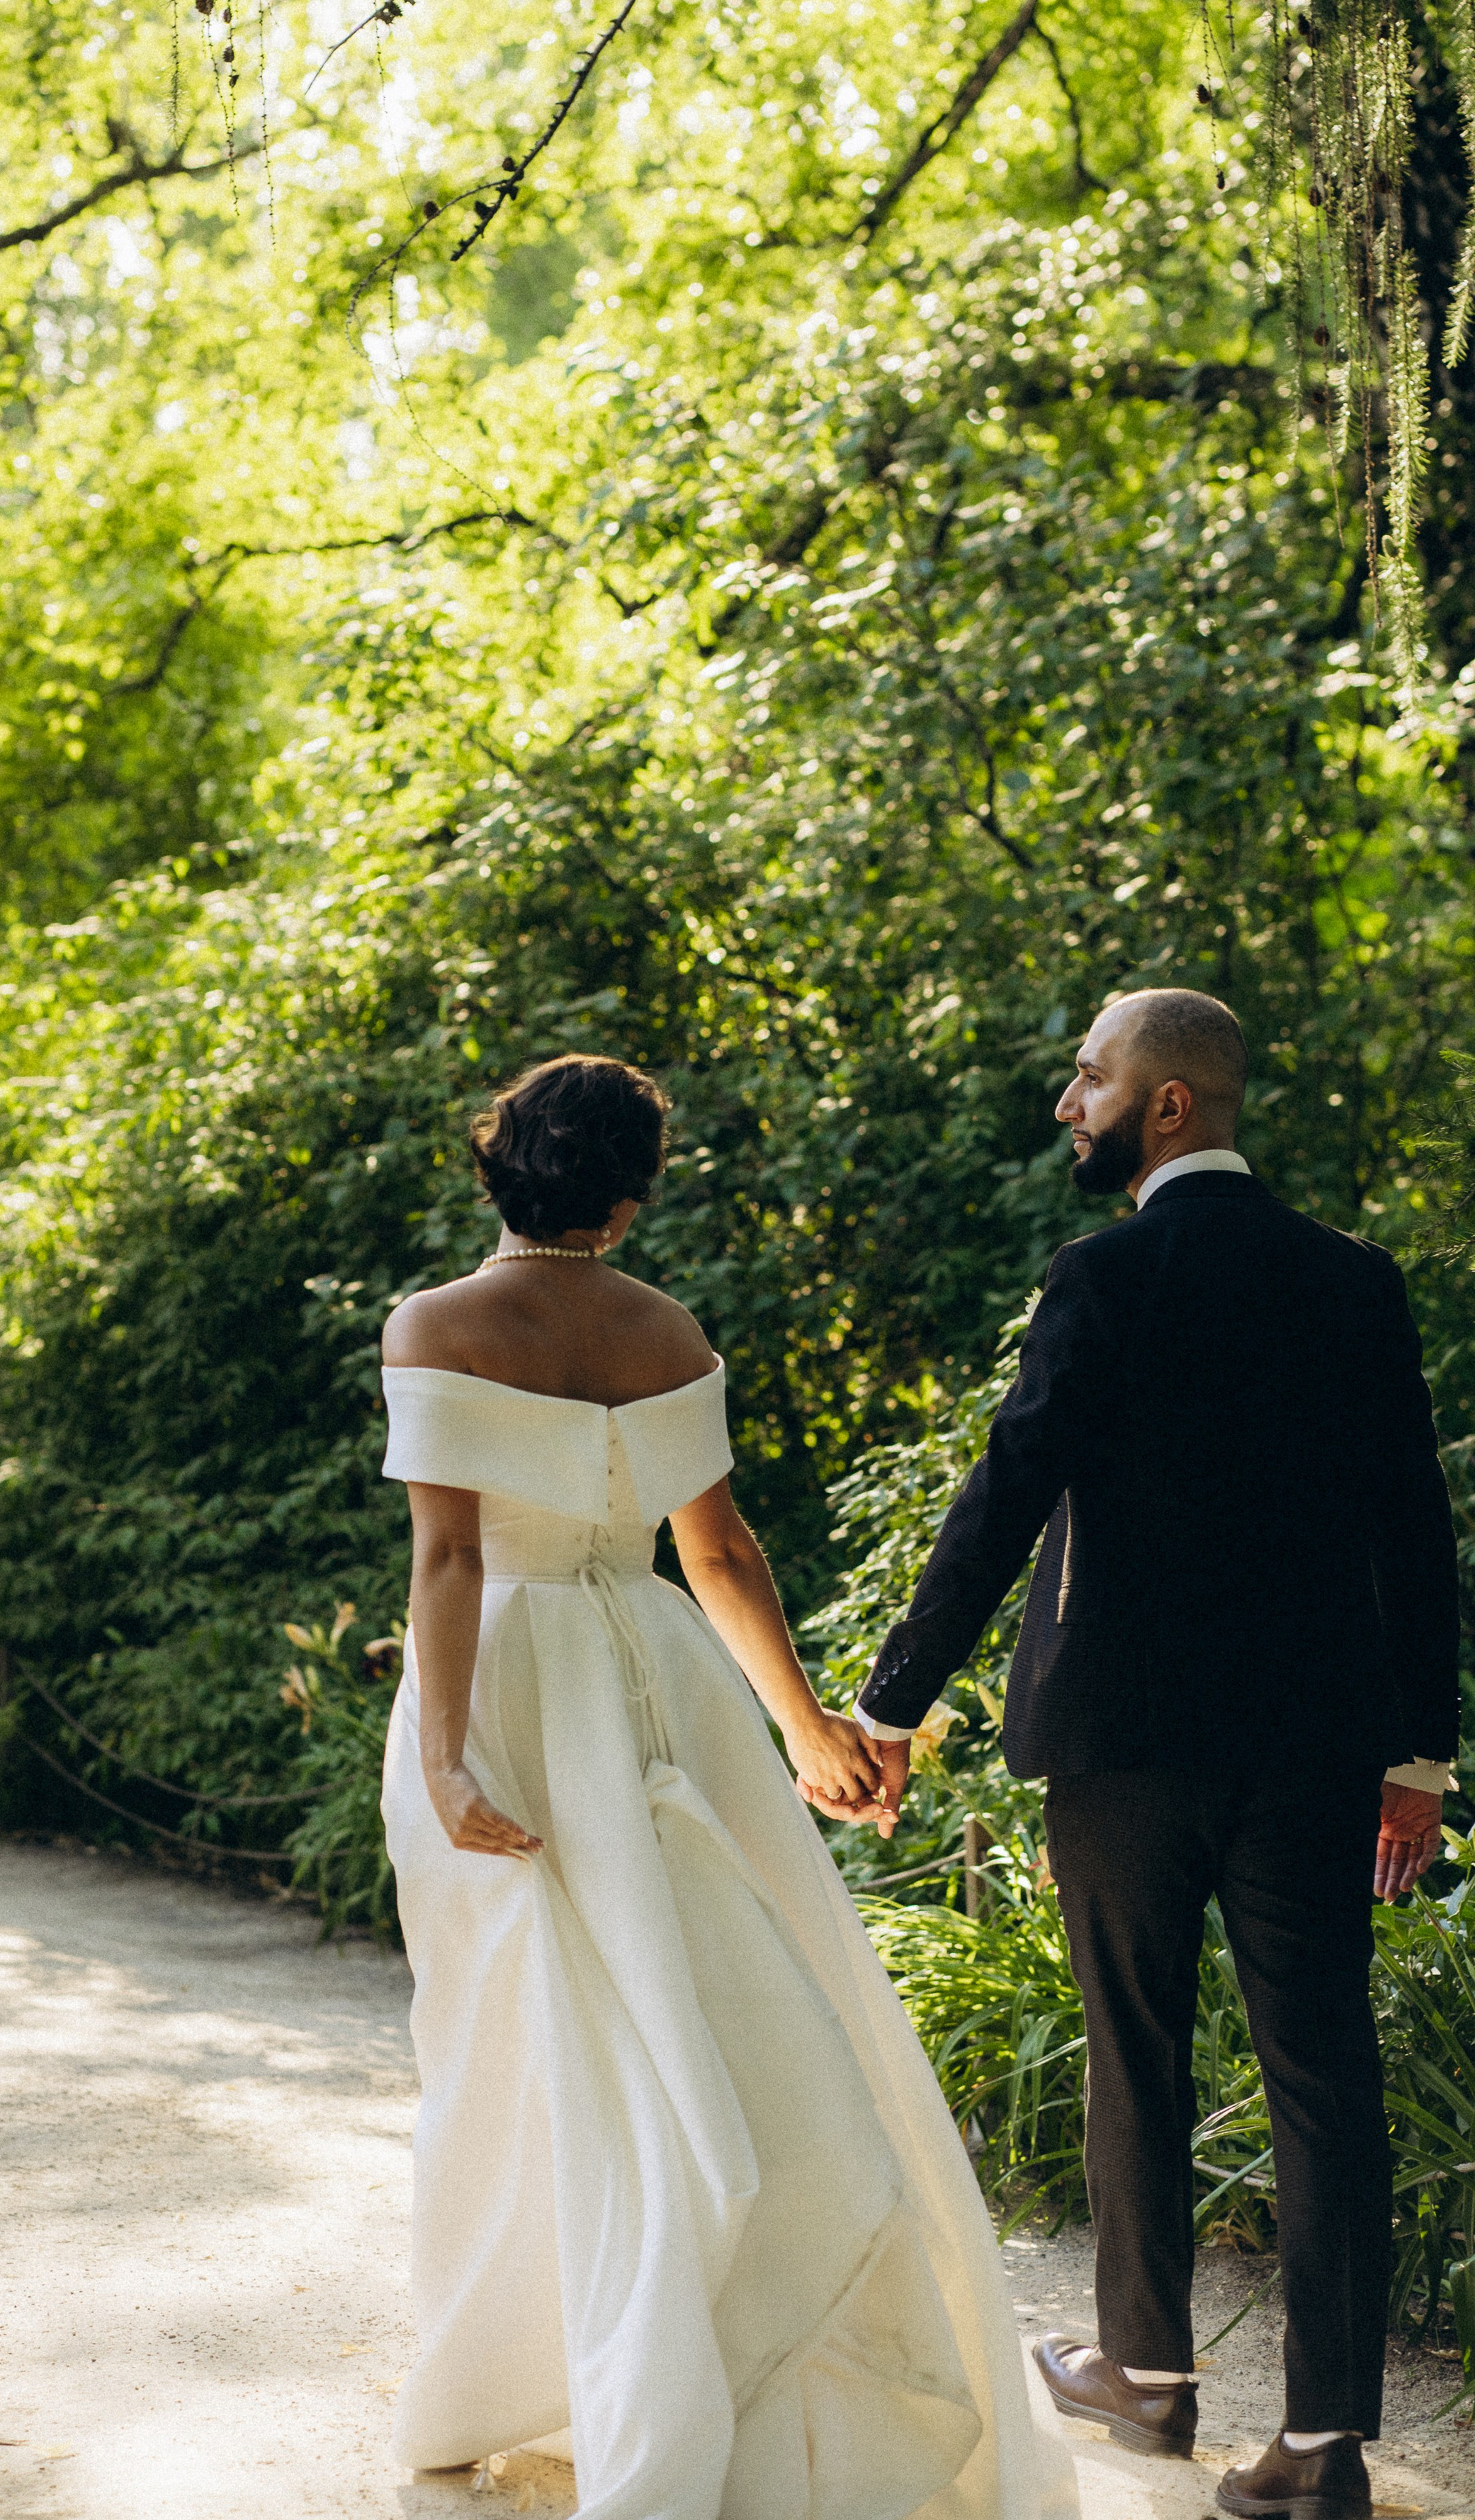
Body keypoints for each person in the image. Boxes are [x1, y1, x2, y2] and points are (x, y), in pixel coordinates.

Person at [379, 1054, 1074, 2520]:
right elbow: (720, 1555)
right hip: (655, 1668)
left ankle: (531, 2366)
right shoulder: (662, 1327)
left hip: (503, 1676)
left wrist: (443, 1755)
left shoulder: (434, 1322)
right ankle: (661, 2339)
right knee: (684, 2006)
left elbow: (445, 1557)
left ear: (496, 1160)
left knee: (509, 2032)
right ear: (628, 1198)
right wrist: (804, 1723)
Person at [815, 989, 1460, 2520]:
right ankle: (1318, 2450)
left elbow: (1003, 1497)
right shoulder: (1352, 1283)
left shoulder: (1099, 1277)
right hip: (1311, 1746)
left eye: (1089, 1076)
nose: (1067, 1102)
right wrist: (1417, 1758)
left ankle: (1145, 2374)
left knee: (1133, 2046)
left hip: (1121, 1744)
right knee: (1323, 2074)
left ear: (1164, 1106)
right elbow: (1411, 1532)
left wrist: (887, 1706)